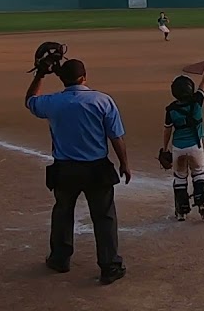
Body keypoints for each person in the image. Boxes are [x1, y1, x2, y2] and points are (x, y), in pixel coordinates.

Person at [25, 58, 131, 285]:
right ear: (85, 77)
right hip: (96, 169)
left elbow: (30, 101)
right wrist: (124, 163)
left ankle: (60, 259)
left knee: (63, 213)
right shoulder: (103, 101)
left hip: (65, 169)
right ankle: (109, 266)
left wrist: (40, 74)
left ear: (62, 79)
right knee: (104, 217)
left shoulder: (53, 102)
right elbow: (116, 136)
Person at [161, 48, 204, 221]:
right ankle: (203, 205)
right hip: (195, 145)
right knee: (199, 174)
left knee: (180, 179)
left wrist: (165, 148)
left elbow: (167, 129)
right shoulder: (197, 103)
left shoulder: (170, 110)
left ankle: (181, 211)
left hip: (178, 147)